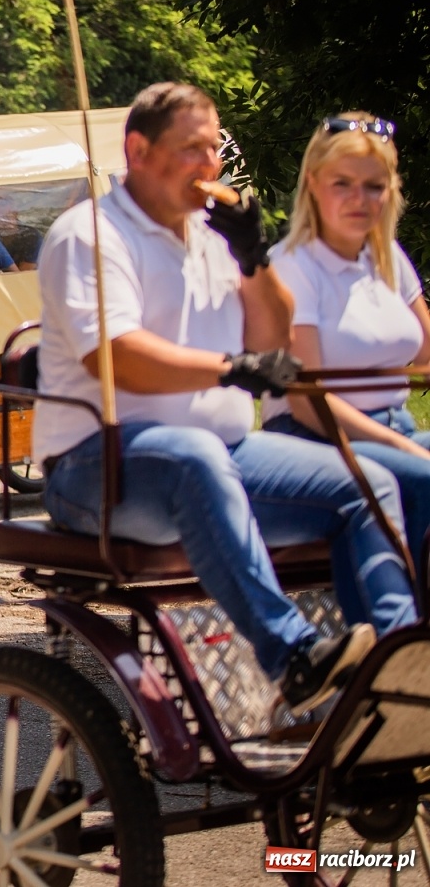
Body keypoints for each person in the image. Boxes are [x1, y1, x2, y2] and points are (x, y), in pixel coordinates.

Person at [35, 82, 417, 717]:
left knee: (368, 481)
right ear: (139, 150)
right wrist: (229, 368)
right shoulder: (92, 235)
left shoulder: (211, 240)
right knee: (193, 456)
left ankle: (396, 672)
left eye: (214, 148)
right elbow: (115, 356)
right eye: (192, 149)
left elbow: (271, 339)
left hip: (224, 454)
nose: (210, 165)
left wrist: (253, 255)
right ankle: (291, 654)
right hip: (100, 465)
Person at [262, 112, 430, 571]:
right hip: (317, 437)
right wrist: (406, 447)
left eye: (374, 186)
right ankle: (405, 633)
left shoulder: (387, 257)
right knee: (425, 477)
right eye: (343, 184)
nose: (360, 199)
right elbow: (308, 403)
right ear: (313, 184)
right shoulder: (293, 265)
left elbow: (426, 357)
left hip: (394, 426)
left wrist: (405, 438)